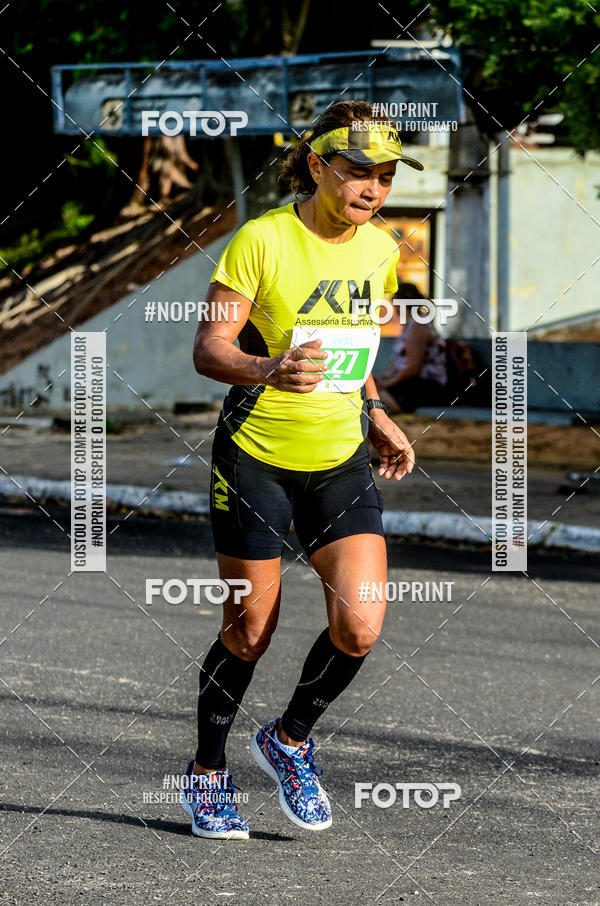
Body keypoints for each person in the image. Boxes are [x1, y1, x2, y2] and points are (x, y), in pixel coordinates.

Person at [179, 100, 420, 839]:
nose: (372, 189)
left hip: (341, 458)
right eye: (357, 173)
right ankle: (208, 773)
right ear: (318, 166)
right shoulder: (262, 240)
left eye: (384, 176)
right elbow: (209, 349)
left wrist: (376, 413)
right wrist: (265, 367)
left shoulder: (382, 249)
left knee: (360, 624)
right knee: (250, 632)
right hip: (257, 459)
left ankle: (288, 739)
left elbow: (355, 356)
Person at [375, 284, 448, 414]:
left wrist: (387, 384)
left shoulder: (418, 326)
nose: (394, 308)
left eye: (395, 303)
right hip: (411, 382)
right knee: (372, 391)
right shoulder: (411, 324)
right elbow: (398, 360)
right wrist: (383, 378)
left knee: (376, 401)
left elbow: (412, 368)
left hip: (426, 386)